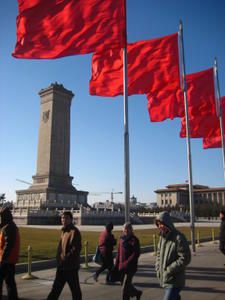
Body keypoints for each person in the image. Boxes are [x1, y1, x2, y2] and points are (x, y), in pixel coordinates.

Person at [155, 211, 191, 300]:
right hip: (165, 277)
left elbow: (185, 257)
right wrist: (157, 267)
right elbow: (159, 254)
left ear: (167, 223)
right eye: (158, 224)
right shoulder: (162, 238)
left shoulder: (178, 237)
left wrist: (169, 270)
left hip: (175, 279)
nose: (160, 227)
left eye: (161, 224)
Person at [47, 211, 82, 300]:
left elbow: (75, 249)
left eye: (66, 218)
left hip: (70, 267)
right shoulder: (64, 230)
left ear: (71, 219)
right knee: (55, 290)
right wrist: (59, 259)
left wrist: (65, 258)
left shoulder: (74, 231)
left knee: (75, 291)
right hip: (62, 266)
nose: (63, 220)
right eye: (62, 218)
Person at [115, 222, 142, 300]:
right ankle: (137, 293)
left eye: (128, 228)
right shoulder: (121, 239)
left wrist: (126, 263)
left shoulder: (134, 240)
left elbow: (136, 254)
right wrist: (116, 265)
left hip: (130, 267)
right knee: (125, 285)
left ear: (131, 229)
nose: (126, 230)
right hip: (121, 267)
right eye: (124, 228)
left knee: (125, 289)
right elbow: (119, 252)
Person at [0, 207, 20, 300]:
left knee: (9, 283)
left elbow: (8, 245)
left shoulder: (9, 227)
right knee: (10, 282)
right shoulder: (10, 225)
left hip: (6, 260)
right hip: (9, 259)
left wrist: (3, 259)